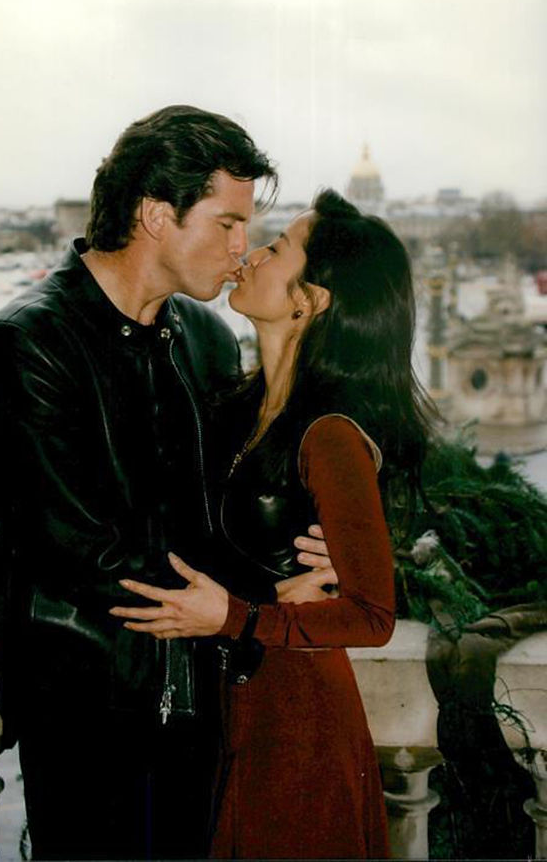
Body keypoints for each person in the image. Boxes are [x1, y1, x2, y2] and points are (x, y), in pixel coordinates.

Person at [0, 105, 334, 861]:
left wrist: (311, 557)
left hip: (197, 691)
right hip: (85, 706)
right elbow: (79, 546)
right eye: (228, 223)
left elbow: (223, 511)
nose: (241, 249)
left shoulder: (205, 336)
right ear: (157, 215)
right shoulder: (27, 341)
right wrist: (258, 599)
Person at [112, 190, 433, 859]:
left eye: (277, 248)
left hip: (295, 724)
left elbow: (373, 616)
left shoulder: (330, 435)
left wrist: (232, 616)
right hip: (234, 711)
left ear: (308, 300)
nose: (253, 254)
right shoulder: (241, 408)